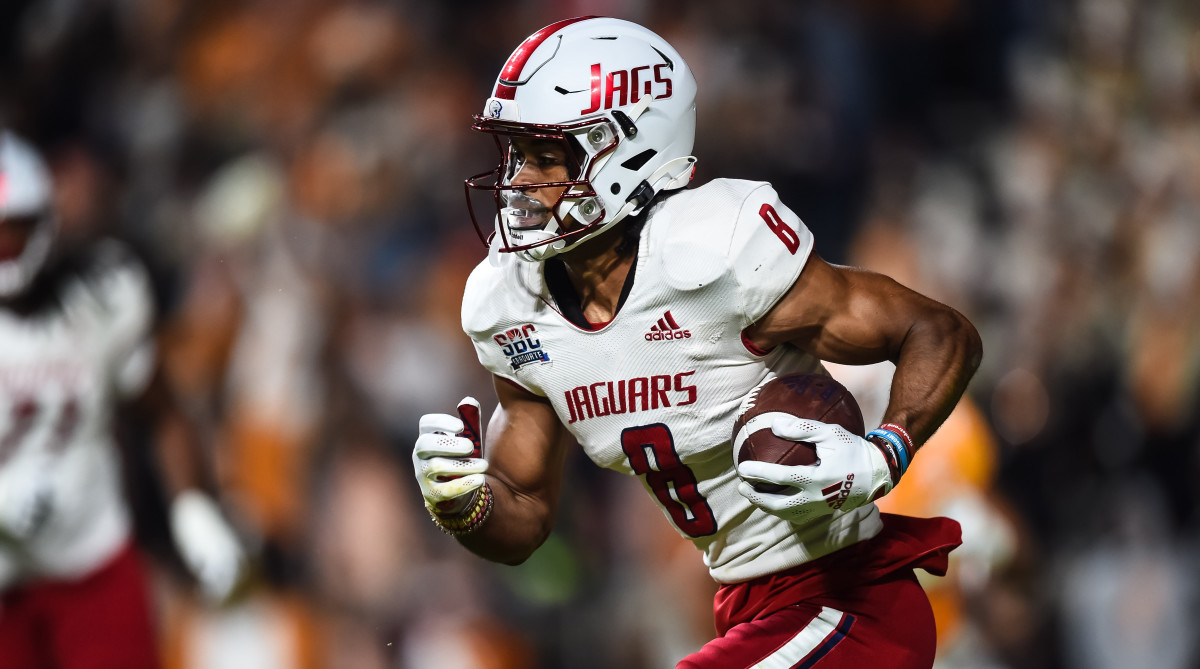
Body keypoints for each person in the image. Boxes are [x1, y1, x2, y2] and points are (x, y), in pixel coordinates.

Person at [412, 17, 982, 668]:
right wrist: (467, 504)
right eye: (514, 153)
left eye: (545, 155)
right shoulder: (513, 305)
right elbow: (524, 510)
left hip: (853, 602)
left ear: (624, 151)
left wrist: (886, 452)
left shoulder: (713, 252)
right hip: (752, 613)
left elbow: (938, 330)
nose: (517, 181)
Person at [0, 130, 246, 669]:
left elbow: (160, 411)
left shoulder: (103, 296)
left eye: (11, 233)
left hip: (92, 560)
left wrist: (193, 512)